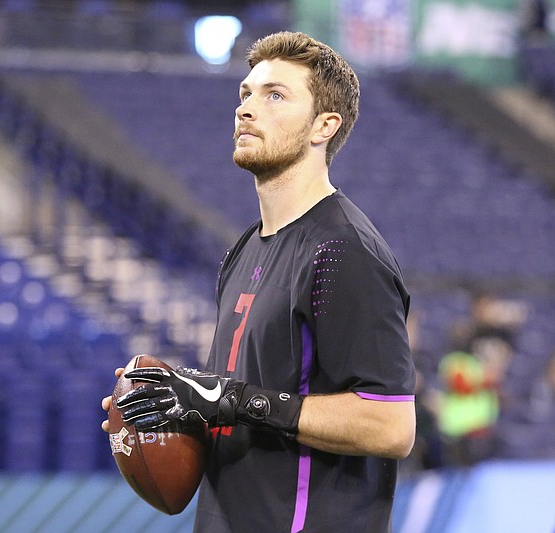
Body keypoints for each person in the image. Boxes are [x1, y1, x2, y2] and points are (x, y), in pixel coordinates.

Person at [101, 31, 416, 533]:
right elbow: (236, 402)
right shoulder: (245, 248)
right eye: (245, 94)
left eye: (275, 95)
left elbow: (390, 426)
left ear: (324, 126)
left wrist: (231, 398)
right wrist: (170, 410)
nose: (247, 109)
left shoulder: (344, 250)